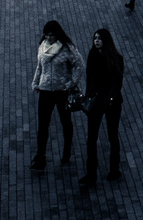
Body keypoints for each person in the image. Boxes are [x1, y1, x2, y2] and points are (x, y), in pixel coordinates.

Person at [30, 21, 83, 171]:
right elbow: (39, 66)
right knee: (43, 126)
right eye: (46, 34)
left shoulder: (67, 48)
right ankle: (40, 157)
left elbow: (80, 65)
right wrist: (35, 82)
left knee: (66, 122)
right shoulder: (43, 46)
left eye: (51, 35)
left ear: (57, 34)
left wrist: (71, 83)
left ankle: (66, 152)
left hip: (62, 92)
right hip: (45, 90)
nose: (48, 37)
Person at [81, 28, 124, 188]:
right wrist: (88, 97)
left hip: (111, 103)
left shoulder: (116, 58)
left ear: (106, 40)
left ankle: (114, 169)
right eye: (95, 38)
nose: (96, 41)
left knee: (112, 135)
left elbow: (117, 82)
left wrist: (109, 98)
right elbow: (89, 77)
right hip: (96, 103)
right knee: (91, 139)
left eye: (99, 38)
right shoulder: (92, 56)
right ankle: (91, 173)